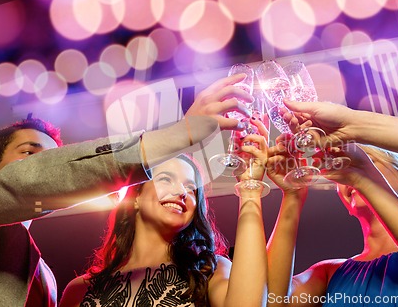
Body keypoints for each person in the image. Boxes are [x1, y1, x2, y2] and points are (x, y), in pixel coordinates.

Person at [0, 73, 253, 307]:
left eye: (51, 159)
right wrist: (180, 134)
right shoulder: (79, 289)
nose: (44, 170)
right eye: (29, 154)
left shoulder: (43, 278)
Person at [59, 130, 269, 307]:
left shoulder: (210, 272)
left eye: (190, 187)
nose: (181, 192)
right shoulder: (80, 289)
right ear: (136, 197)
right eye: (165, 179)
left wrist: (250, 191)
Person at [266, 136, 398, 306]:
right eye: (342, 170)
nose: (349, 175)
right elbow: (271, 300)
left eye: (367, 162)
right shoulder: (329, 273)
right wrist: (292, 194)